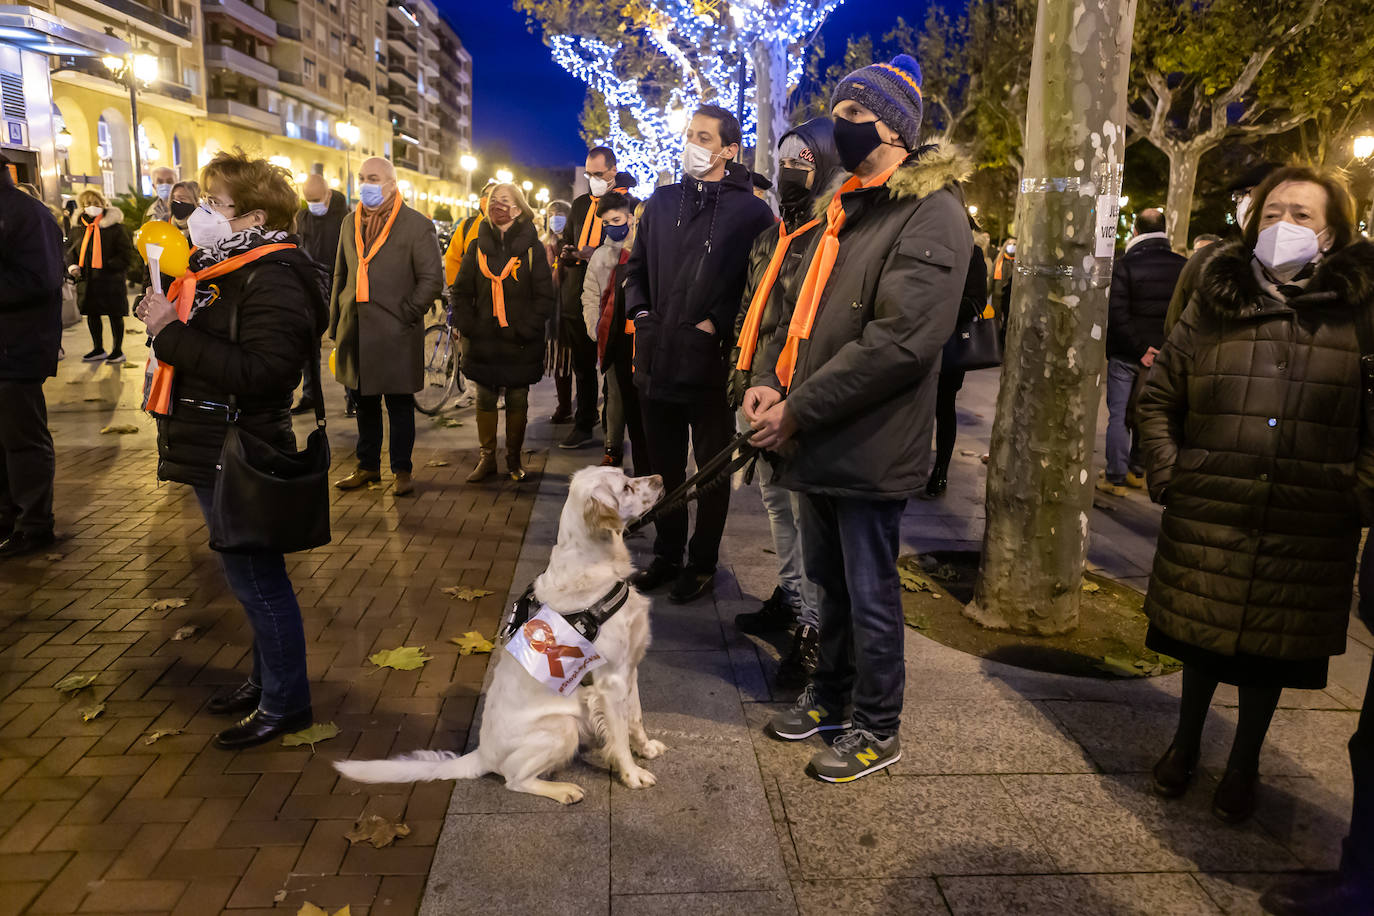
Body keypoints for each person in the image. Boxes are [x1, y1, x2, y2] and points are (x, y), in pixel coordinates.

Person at [746, 54, 972, 783]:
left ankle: (878, 728)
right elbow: (797, 313)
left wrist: (798, 408)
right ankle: (832, 698)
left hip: (869, 444)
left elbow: (900, 343)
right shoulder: (847, 205)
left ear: (894, 129)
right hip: (817, 434)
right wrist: (762, 382)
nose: (834, 127)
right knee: (829, 586)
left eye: (851, 115)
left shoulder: (932, 213)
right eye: (837, 111)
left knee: (872, 597)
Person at [1136, 165, 1374, 824]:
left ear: (1332, 233)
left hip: (1308, 518)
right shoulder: (1216, 298)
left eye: (1302, 214)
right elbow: (1158, 398)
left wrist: (1359, 494)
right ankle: (1183, 746)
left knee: (1272, 651)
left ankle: (1244, 764)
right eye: (1271, 213)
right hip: (1213, 506)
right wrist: (1170, 472)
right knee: (1201, 642)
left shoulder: (1361, 312)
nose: (1284, 226)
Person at [132, 149, 327, 749]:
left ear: (255, 215)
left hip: (240, 443)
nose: (201, 213)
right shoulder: (226, 266)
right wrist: (168, 317)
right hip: (212, 438)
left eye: (216, 203)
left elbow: (265, 372)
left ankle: (286, 703)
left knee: (258, 581)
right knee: (247, 576)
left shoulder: (274, 274)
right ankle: (267, 680)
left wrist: (171, 334)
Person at [625, 105, 775, 603]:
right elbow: (636, 268)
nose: (692, 142)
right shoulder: (662, 202)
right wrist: (641, 315)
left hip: (710, 367)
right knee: (662, 469)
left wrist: (717, 322)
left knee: (710, 471)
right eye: (690, 134)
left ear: (729, 150)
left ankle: (703, 560)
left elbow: (759, 288)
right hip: (655, 359)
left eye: (704, 136)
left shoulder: (753, 212)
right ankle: (667, 555)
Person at [728, 116, 840, 688]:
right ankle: (795, 601)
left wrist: (793, 402)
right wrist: (741, 381)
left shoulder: (835, 236)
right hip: (756, 392)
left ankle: (816, 626)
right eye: (784, 157)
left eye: (803, 158)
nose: (789, 168)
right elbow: (753, 314)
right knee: (775, 506)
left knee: (804, 515)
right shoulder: (771, 237)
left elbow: (821, 329)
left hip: (795, 401)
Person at [329, 157, 444, 497]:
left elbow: (431, 279)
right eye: (362, 177)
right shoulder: (349, 221)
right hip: (357, 330)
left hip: (396, 332)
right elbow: (341, 274)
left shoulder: (416, 225)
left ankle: (402, 470)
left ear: (392, 185)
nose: (365, 183)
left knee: (399, 405)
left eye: (374, 178)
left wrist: (406, 314)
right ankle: (367, 466)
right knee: (363, 404)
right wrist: (336, 322)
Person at [451, 183, 554, 483]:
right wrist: (470, 326)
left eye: (504, 201)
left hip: (520, 342)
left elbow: (544, 297)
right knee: (484, 397)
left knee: (518, 398)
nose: (497, 205)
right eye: (493, 200)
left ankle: (513, 459)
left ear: (518, 209)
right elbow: (460, 292)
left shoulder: (533, 249)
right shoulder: (476, 246)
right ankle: (487, 459)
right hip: (483, 340)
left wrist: (524, 329)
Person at [0, 153, 64, 558]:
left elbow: (40, 281)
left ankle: (34, 523)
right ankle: (7, 518)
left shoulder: (27, 214)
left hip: (15, 350)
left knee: (22, 440)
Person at [1098, 208, 1186, 497]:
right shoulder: (1181, 266)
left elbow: (1117, 313)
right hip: (1163, 355)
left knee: (1120, 415)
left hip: (1128, 354)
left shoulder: (1126, 265)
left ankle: (1115, 477)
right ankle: (1138, 471)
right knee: (1147, 413)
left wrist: (1139, 348)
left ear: (1135, 231)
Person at [558, 146, 638, 449]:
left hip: (613, 299)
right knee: (582, 365)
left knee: (613, 370)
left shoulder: (628, 203)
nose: (593, 179)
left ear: (613, 171)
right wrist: (568, 253)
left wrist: (602, 253)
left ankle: (613, 433)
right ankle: (584, 420)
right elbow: (568, 239)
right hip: (576, 296)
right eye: (589, 174)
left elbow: (634, 247)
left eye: (599, 174)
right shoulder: (579, 205)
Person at [1163, 163, 1277, 338]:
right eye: (1238, 197)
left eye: (1248, 194)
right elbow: (1176, 332)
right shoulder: (1209, 260)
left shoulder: (1318, 272)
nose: (1242, 203)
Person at [927, 217, 990, 498]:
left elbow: (977, 301)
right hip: (918, 342)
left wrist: (940, 310)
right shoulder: (926, 248)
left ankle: (940, 471)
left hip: (949, 343)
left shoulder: (972, 254)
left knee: (944, 406)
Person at [580, 192, 638, 467]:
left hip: (639, 336)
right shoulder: (601, 257)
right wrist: (595, 327)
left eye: (616, 220)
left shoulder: (643, 250)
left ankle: (642, 446)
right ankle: (612, 448)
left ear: (630, 217)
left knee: (639, 395)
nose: (611, 226)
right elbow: (589, 294)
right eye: (606, 223)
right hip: (612, 335)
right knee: (614, 393)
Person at [293, 175, 347, 416]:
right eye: (308, 199)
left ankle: (353, 396)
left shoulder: (345, 218)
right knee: (308, 344)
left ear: (328, 194)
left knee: (345, 342)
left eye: (316, 199)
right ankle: (310, 395)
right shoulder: (303, 217)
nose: (312, 203)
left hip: (340, 285)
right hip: (310, 286)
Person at [66, 189, 133, 365]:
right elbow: (70, 250)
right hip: (88, 281)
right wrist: (73, 266)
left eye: (95, 203)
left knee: (115, 315)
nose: (91, 207)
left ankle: (117, 350)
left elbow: (126, 253)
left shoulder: (115, 227)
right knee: (92, 314)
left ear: (103, 204)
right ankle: (98, 348)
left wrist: (110, 265)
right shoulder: (79, 228)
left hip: (110, 280)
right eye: (87, 204)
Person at [540, 199, 573, 420]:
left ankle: (579, 408)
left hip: (570, 309)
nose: (555, 218)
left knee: (574, 361)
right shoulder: (543, 244)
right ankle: (564, 405)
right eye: (552, 214)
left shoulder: (573, 244)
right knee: (560, 360)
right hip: (552, 311)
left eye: (560, 214)